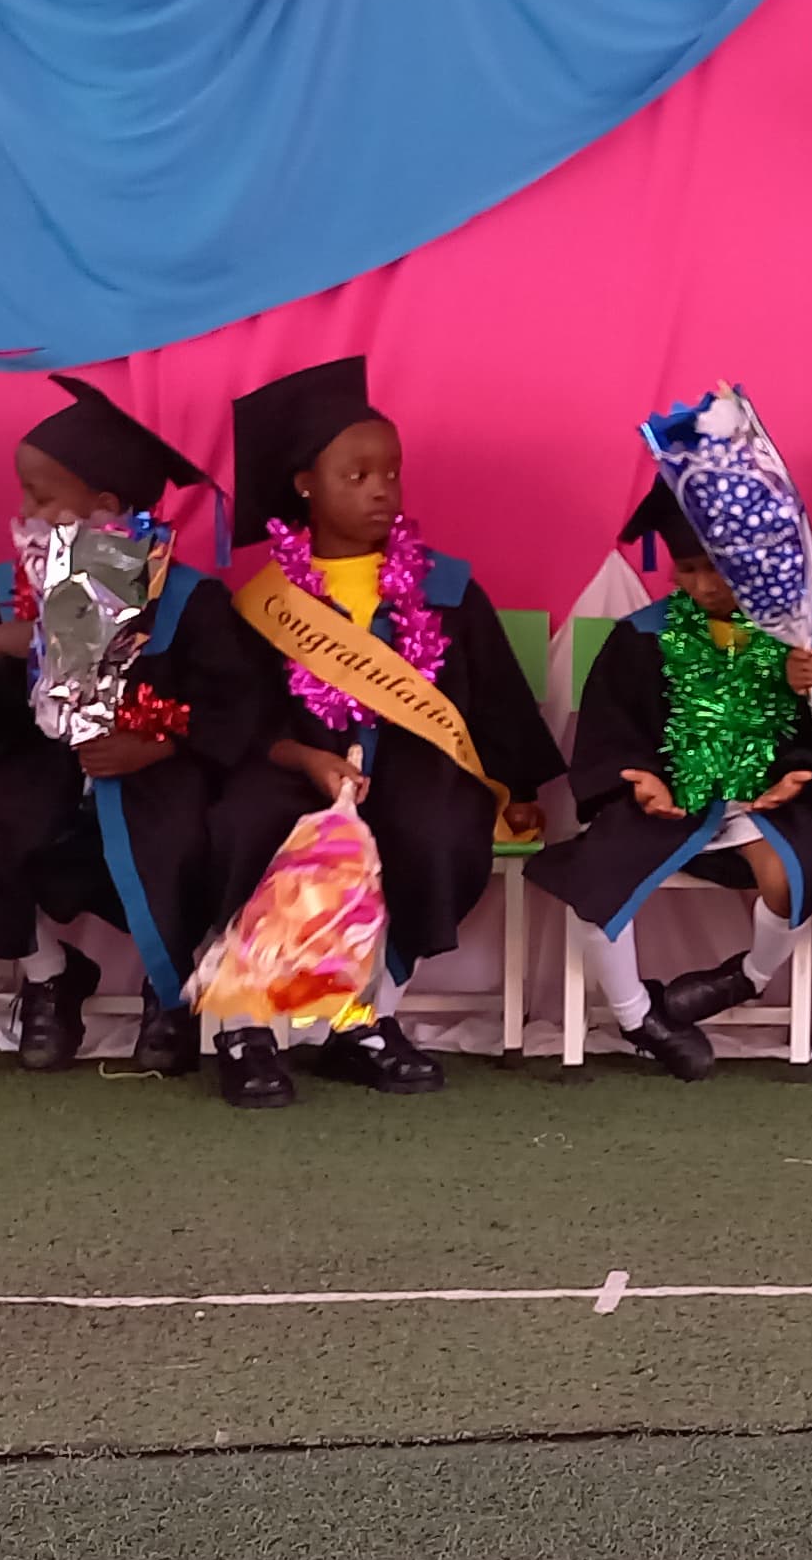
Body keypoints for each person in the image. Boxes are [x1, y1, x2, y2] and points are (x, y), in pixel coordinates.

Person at [204, 356, 560, 1108]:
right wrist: (305, 757)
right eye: (357, 475)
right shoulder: (266, 602)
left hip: (415, 761)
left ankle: (363, 1021)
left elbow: (494, 698)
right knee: (247, 822)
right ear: (306, 484)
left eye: (391, 474)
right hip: (293, 762)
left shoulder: (445, 588)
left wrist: (518, 785)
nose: (381, 491)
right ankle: (245, 1030)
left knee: (434, 826)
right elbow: (240, 715)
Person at [0, 375, 261, 1074]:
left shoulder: (185, 598)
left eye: (42, 497)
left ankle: (170, 993)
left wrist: (158, 745)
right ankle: (50, 976)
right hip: (46, 767)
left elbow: (237, 702)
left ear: (106, 508)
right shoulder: (18, 588)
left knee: (181, 842)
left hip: (154, 771)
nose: (25, 511)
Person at [527, 485, 812, 1082]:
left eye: (716, 569)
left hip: (761, 798)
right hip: (668, 799)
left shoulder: (793, 638)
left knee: (791, 875)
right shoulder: (642, 635)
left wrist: (802, 754)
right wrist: (640, 781)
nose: (704, 586)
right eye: (687, 570)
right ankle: (638, 1017)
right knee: (599, 875)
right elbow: (614, 732)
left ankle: (746, 978)